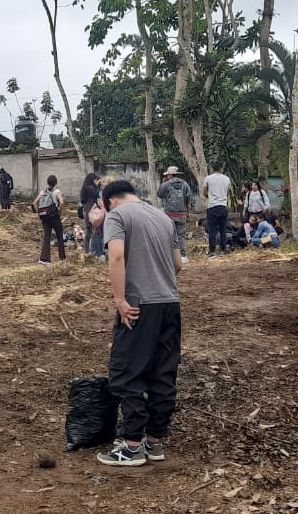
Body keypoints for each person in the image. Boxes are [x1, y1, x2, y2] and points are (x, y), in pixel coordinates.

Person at [97, 179, 181, 467]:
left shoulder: (117, 216)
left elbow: (116, 256)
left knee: (127, 370)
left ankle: (132, 445)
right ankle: (154, 441)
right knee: (163, 370)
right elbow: (178, 264)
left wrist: (120, 299)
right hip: (169, 303)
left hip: (138, 304)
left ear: (110, 201)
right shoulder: (163, 217)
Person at [156, 166, 193, 264]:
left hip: (169, 214)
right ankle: (183, 256)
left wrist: (163, 183)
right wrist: (188, 212)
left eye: (167, 175)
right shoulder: (185, 184)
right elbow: (188, 199)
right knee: (181, 235)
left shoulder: (166, 184)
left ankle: (170, 255)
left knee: (169, 235)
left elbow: (159, 194)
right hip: (181, 214)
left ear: (170, 175)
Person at [201, 162, 232, 258]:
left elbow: (204, 192)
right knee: (223, 229)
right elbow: (227, 192)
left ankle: (212, 251)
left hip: (212, 206)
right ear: (221, 168)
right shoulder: (227, 179)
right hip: (223, 206)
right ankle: (223, 249)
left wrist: (210, 197)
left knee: (212, 230)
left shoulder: (208, 178)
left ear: (213, 169)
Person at [33, 175, 65, 265]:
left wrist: (38, 213)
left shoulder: (43, 191)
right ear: (56, 183)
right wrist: (59, 211)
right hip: (54, 217)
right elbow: (62, 202)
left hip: (44, 217)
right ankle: (62, 258)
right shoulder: (57, 191)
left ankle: (44, 259)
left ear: (47, 182)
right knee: (59, 236)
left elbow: (34, 203)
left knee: (47, 236)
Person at [80, 173, 102, 256]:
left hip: (87, 210)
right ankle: (95, 252)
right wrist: (98, 186)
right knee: (93, 232)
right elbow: (97, 194)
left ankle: (87, 251)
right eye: (96, 180)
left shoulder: (85, 187)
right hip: (91, 212)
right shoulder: (90, 188)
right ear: (93, 180)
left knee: (89, 231)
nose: (97, 181)